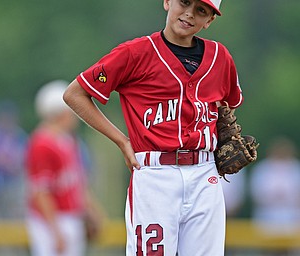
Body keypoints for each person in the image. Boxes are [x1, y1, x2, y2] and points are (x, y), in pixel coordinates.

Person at [63, 0, 244, 255]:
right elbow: (75, 94)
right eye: (184, 2)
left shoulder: (220, 57)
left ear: (210, 20)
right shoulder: (134, 53)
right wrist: (121, 140)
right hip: (155, 173)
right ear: (167, 1)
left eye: (201, 10)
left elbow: (229, 104)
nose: (189, 13)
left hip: (205, 174)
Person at [26, 80, 103, 256]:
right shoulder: (41, 143)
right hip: (52, 220)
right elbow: (41, 191)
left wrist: (92, 212)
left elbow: (78, 184)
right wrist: (55, 230)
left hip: (71, 217)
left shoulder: (69, 141)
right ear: (60, 113)